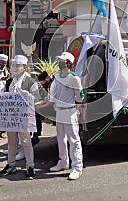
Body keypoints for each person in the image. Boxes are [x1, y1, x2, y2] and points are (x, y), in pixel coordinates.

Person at [0, 55, 39, 179]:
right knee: (11, 142)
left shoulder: (30, 81)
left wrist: (28, 96)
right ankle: (10, 164)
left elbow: (36, 99)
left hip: (24, 117)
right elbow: (5, 95)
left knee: (26, 142)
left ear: (24, 67)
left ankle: (30, 166)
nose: (15, 68)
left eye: (17, 65)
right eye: (14, 65)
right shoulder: (10, 81)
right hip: (12, 116)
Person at [47, 52, 85, 180]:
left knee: (73, 140)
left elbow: (79, 96)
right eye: (59, 61)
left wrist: (78, 109)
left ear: (68, 63)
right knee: (60, 139)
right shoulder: (57, 77)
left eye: (62, 61)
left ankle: (77, 167)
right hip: (59, 111)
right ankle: (63, 162)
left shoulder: (74, 78)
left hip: (70, 112)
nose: (59, 63)